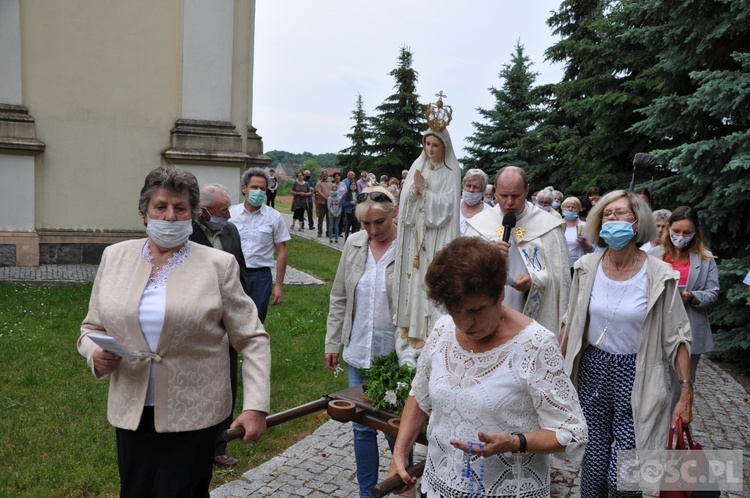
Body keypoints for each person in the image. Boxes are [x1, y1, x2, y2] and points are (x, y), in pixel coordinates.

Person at [77, 166, 270, 498]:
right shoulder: (114, 257)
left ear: (193, 214)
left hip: (194, 411)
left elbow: (252, 339)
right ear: (144, 213)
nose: (169, 216)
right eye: (160, 207)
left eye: (180, 208)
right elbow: (90, 327)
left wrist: (255, 406)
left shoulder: (218, 265)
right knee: (135, 491)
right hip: (133, 411)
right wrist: (94, 353)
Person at [387, 236, 588, 497]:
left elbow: (571, 433)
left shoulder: (535, 345)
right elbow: (420, 396)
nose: (465, 323)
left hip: (505, 490)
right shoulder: (443, 328)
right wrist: (399, 454)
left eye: (476, 310)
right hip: (440, 486)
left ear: (500, 293)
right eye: (454, 311)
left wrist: (516, 442)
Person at [559, 190, 693, 498]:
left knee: (627, 466)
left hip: (637, 370)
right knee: (593, 458)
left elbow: (678, 336)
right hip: (593, 366)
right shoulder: (587, 267)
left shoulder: (658, 273)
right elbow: (571, 321)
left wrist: (685, 394)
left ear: (637, 224)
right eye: (607, 214)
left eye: (620, 214)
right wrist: (554, 371)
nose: (611, 219)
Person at [325, 185, 404, 498]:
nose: (373, 230)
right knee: (361, 426)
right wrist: (332, 343)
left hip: (396, 356)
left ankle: (400, 485)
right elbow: (340, 296)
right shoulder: (355, 243)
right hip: (358, 348)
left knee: (395, 427)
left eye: (379, 222)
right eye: (367, 224)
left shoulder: (410, 246)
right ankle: (366, 492)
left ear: (394, 212)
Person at [465, 166, 571, 334]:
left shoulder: (548, 226)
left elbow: (562, 282)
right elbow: (462, 272)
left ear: (527, 190)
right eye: (503, 195)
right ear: (494, 192)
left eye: (515, 196)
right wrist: (487, 257)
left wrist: (534, 282)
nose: (509, 202)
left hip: (529, 313)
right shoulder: (479, 225)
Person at [189, 183, 250, 468]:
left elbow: (241, 272)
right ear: (204, 212)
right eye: (223, 211)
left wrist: (244, 313)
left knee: (227, 385)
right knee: (200, 384)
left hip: (228, 324)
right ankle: (194, 441)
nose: (228, 215)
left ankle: (218, 445)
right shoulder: (186, 234)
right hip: (198, 324)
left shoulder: (230, 231)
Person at [393, 127, 461, 366]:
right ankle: (408, 326)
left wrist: (426, 192)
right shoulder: (417, 166)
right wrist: (414, 191)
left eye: (436, 145)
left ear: (444, 147)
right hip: (415, 237)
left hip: (435, 239)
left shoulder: (450, 172)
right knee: (412, 279)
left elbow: (447, 207)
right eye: (427, 144)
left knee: (426, 281)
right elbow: (406, 202)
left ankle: (422, 330)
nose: (430, 150)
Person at [648, 206, 719, 410]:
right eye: (676, 231)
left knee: (682, 385)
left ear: (696, 231)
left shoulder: (705, 258)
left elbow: (713, 292)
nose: (680, 236)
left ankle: (675, 427)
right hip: (657, 323)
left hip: (688, 325)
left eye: (687, 233)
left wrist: (691, 296)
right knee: (651, 382)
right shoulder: (654, 254)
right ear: (669, 228)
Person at [229, 168, 290, 323]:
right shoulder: (231, 215)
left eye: (262, 189)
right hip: (234, 274)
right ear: (244, 188)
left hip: (260, 277)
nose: (258, 192)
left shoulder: (274, 217)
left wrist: (279, 285)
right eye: (254, 187)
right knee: (231, 318)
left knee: (256, 321)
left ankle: (252, 347)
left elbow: (282, 251)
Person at [561, 196, 594, 276]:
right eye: (568, 207)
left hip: (578, 266)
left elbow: (591, 249)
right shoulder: (558, 225)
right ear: (563, 208)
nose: (570, 209)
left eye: (574, 207)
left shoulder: (584, 226)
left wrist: (583, 243)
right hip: (560, 266)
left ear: (579, 209)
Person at [458, 168, 491, 234]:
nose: (471, 190)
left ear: (483, 189)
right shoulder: (453, 207)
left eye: (475, 187)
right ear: (463, 185)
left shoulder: (489, 213)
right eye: (468, 185)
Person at [315, 170, 332, 238]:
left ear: (327, 175)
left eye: (325, 174)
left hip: (329, 204)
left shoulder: (330, 183)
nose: (324, 175)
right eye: (323, 174)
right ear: (321, 175)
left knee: (329, 219)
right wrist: (326, 198)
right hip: (321, 203)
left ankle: (328, 232)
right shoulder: (319, 183)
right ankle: (320, 232)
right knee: (320, 219)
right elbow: (319, 192)